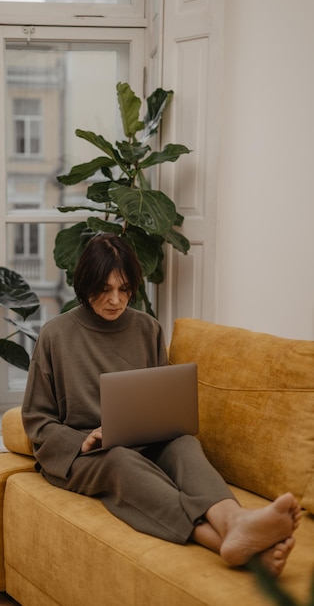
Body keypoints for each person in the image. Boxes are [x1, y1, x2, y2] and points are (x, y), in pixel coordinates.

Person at [22, 233, 300, 577]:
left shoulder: (147, 328)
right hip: (85, 454)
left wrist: (159, 422)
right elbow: (37, 420)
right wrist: (83, 440)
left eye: (124, 289)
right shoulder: (56, 334)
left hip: (144, 439)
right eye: (105, 289)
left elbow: (162, 399)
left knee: (183, 443)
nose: (115, 300)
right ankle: (221, 540)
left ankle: (234, 520)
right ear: (84, 284)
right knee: (119, 458)